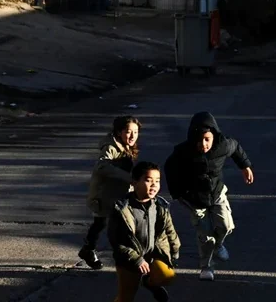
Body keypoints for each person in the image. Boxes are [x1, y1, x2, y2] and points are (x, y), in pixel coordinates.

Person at [164, 111, 254, 281]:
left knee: (226, 225)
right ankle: (206, 266)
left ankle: (219, 244)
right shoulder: (183, 152)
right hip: (194, 199)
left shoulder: (222, 146)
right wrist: (178, 194)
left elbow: (236, 147)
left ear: (214, 136)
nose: (203, 144)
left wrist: (245, 166)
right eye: (199, 140)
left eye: (207, 139)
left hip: (217, 193)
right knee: (205, 235)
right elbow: (170, 168)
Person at [108, 162, 180, 302]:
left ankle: (148, 282)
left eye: (157, 181)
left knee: (167, 276)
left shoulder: (160, 206)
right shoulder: (122, 209)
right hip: (129, 259)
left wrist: (174, 250)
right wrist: (137, 259)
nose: (154, 185)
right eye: (148, 180)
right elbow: (116, 241)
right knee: (126, 297)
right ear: (134, 183)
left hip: (152, 254)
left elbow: (169, 230)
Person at [79, 116, 141, 270]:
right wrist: (128, 178)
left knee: (108, 224)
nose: (132, 136)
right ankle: (91, 250)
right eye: (128, 132)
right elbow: (102, 166)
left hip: (117, 194)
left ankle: (89, 250)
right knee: (106, 224)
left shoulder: (124, 146)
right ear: (119, 132)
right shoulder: (111, 147)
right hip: (104, 195)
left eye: (136, 132)